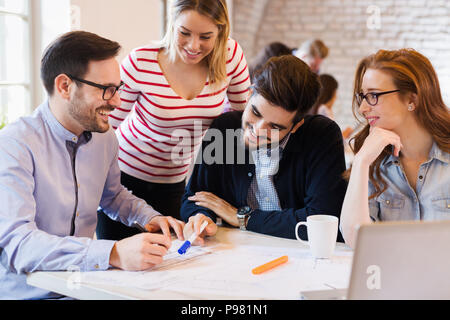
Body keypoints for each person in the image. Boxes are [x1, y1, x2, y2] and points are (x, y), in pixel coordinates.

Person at [0, 31, 185, 300]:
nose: (118, 101)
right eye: (106, 90)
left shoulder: (105, 138)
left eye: (118, 88)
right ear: (64, 86)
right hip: (29, 295)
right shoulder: (14, 145)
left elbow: (113, 196)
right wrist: (113, 253)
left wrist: (151, 219)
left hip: (86, 288)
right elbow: (18, 244)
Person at [97, 0, 251, 240]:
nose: (193, 45)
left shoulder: (230, 58)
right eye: (185, 33)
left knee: (169, 265)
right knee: (117, 268)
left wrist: (222, 186)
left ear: (220, 33)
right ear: (172, 24)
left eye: (205, 37)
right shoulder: (141, 61)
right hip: (123, 181)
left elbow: (241, 123)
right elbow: (105, 126)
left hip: (174, 183)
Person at [180, 55, 347, 242]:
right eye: (255, 112)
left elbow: (323, 220)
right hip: (238, 251)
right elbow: (195, 197)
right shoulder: (225, 128)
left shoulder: (321, 135)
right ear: (250, 94)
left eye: (274, 127)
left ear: (297, 125)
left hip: (300, 254)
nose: (257, 130)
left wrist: (243, 218)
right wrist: (201, 217)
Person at [340, 48, 450, 249]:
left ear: (411, 100)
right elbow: (356, 241)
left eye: (374, 95)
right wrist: (361, 162)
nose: (363, 108)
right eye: (362, 96)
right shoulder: (373, 161)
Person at [311, 74, 353, 139]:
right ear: (330, 94)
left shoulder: (319, 109)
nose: (335, 98)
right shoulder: (323, 110)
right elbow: (330, 138)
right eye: (335, 93)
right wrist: (344, 134)